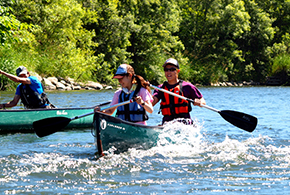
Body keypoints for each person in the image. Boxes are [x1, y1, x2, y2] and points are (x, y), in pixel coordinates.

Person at [152, 58, 206, 124]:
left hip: (184, 123)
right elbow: (151, 103)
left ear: (178, 71)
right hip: (167, 124)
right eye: (166, 70)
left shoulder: (187, 86)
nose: (169, 72)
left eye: (172, 69)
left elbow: (203, 102)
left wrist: (199, 102)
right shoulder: (160, 88)